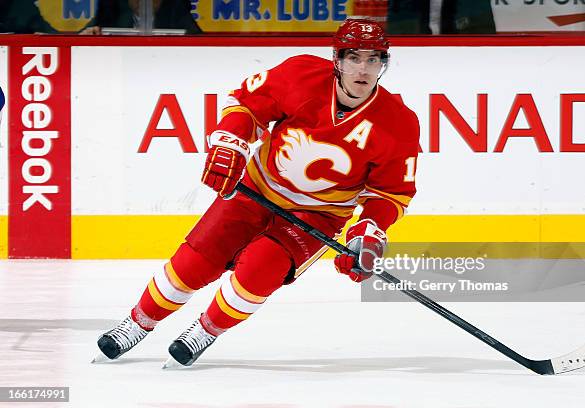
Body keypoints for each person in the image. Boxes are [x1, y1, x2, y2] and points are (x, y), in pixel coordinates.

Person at [95, 18, 420, 367]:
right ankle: (137, 322)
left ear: (383, 65)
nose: (363, 69)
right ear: (337, 60)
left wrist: (368, 233)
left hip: (317, 216)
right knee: (195, 262)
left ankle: (205, 330)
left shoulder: (398, 122)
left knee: (259, 272)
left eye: (373, 60)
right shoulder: (301, 75)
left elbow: (390, 193)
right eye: (354, 58)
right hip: (255, 189)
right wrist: (231, 141)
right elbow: (249, 105)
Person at [80, 0, 201, 35]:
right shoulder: (112, 12)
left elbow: (199, 40)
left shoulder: (176, 12)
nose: (142, 2)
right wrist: (87, 35)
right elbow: (81, 37)